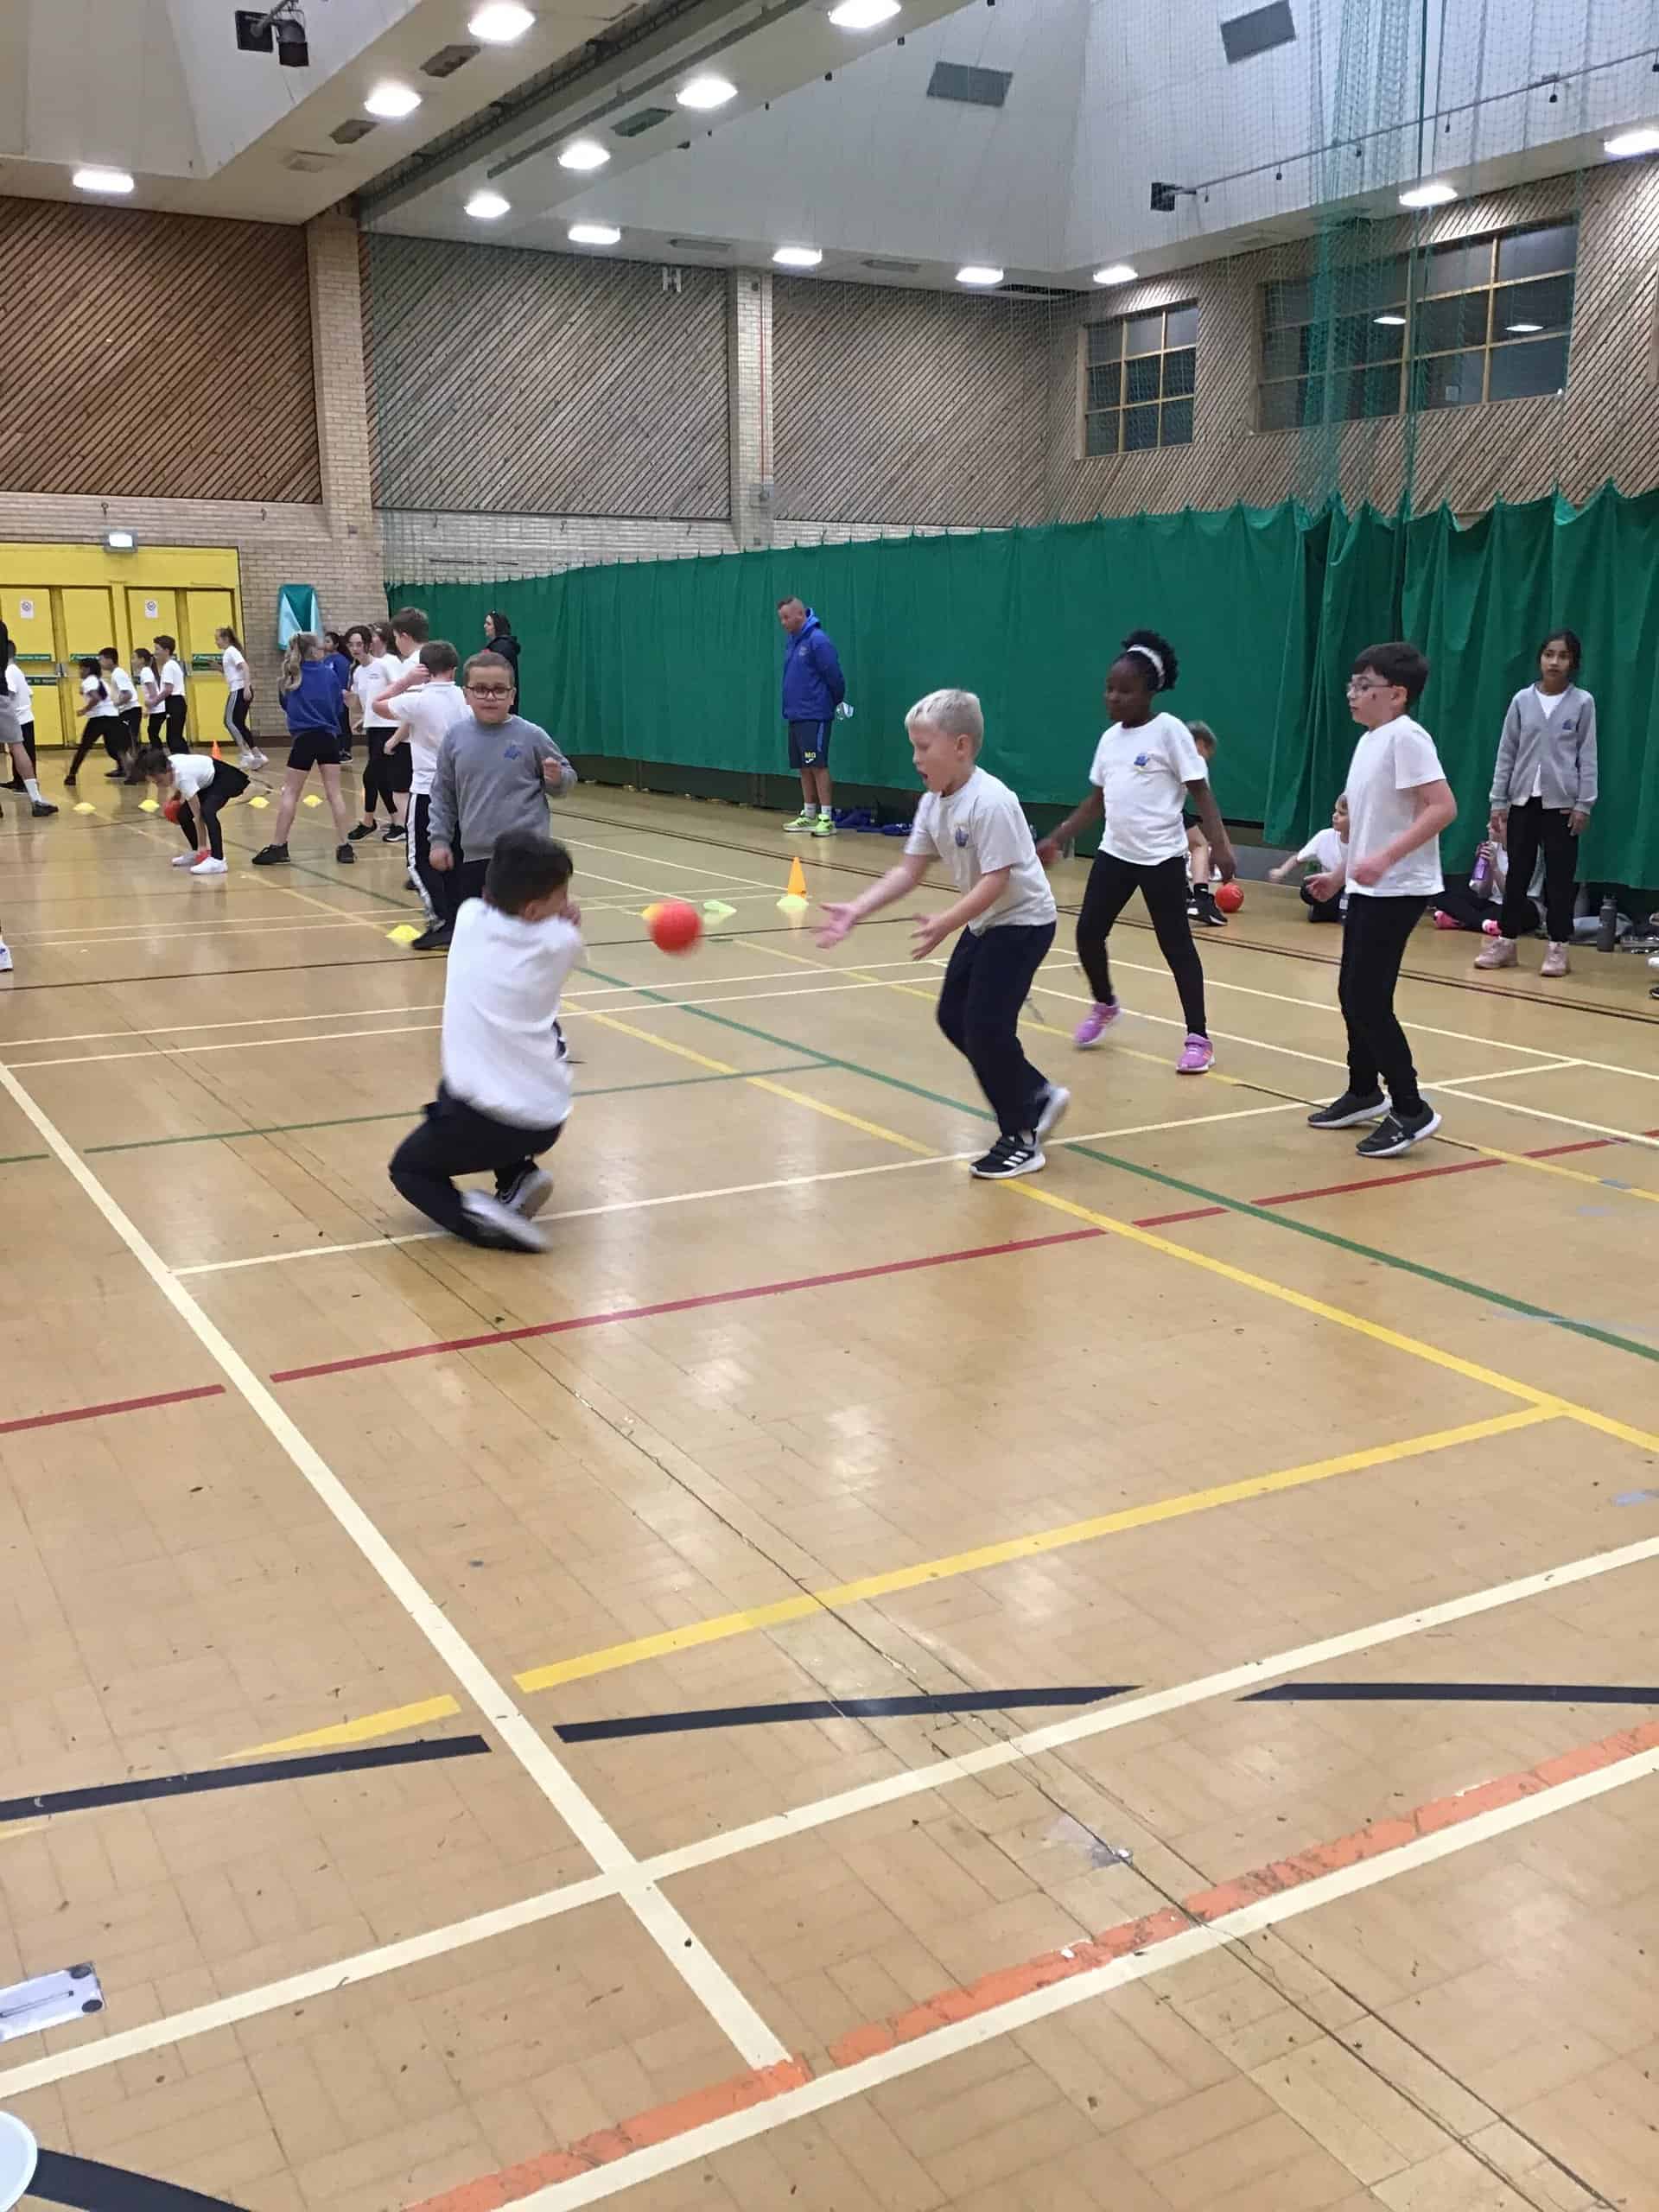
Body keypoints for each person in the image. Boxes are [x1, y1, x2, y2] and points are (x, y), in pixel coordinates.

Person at [817, 688, 1067, 1181]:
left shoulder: (992, 802)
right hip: (986, 921)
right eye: (913, 747)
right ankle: (1035, 1095)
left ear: (961, 746)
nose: (915, 759)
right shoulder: (934, 804)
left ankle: (1022, 1136)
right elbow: (908, 871)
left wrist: (946, 922)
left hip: (1023, 922)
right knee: (954, 1016)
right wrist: (856, 910)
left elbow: (997, 881)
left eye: (923, 747)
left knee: (987, 1028)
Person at [1035, 630, 1235, 1075]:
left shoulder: (1170, 732)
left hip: (1161, 858)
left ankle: (1199, 1038)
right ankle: (1105, 1003)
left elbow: (1200, 791)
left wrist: (1220, 845)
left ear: (1149, 692)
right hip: (1115, 854)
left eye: (1125, 690)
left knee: (1176, 946)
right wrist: (1058, 837)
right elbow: (1096, 801)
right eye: (1109, 688)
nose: (1113, 697)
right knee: (1088, 933)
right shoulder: (1110, 740)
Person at [388, 831, 579, 1252]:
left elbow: (497, 902)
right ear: (534, 910)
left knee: (408, 1169)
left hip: (487, 1119)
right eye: (562, 896)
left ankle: (482, 1224)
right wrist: (563, 921)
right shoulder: (562, 944)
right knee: (466, 1082)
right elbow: (557, 930)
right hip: (549, 1116)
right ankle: (518, 1177)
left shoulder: (469, 918)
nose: (568, 904)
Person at [1305, 641, 1457, 1159]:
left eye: (1364, 685)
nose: (1353, 693)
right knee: (1352, 992)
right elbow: (1370, 826)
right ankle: (1364, 1091)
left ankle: (1411, 1108)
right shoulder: (1370, 741)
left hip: (1400, 888)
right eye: (1352, 684)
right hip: (1369, 885)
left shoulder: (1408, 738)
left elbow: (1442, 808)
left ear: (1397, 694)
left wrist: (1386, 859)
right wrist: (1341, 873)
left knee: (1368, 998)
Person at [1476, 628, 1596, 981]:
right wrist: (1499, 800)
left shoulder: (1582, 703)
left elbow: (1588, 756)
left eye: (1563, 656)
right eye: (1549, 654)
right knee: (1517, 875)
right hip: (1522, 801)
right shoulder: (1522, 701)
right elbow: (1507, 753)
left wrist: (1584, 804)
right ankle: (1506, 942)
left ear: (1573, 662)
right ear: (1540, 658)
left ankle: (1558, 947)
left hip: (1562, 805)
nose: (1555, 662)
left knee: (1560, 878)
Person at [428, 650, 576, 911]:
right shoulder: (455, 738)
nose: (490, 697)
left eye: (499, 689)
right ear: (466, 694)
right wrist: (439, 840)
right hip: (476, 857)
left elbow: (566, 779)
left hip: (528, 858)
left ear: (512, 695)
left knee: (528, 926)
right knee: (484, 929)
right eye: (480, 689)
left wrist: (557, 778)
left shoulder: (531, 736)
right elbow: (443, 794)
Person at [372, 639, 472, 952]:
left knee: (418, 861)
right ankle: (458, 921)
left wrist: (405, 681)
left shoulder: (418, 699)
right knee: (456, 857)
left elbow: (377, 705)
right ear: (454, 668)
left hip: (428, 791)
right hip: (461, 791)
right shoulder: (465, 698)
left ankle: (440, 921)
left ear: (423, 669)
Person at [250, 632, 355, 868]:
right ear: (314, 650)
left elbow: (287, 705)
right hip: (328, 737)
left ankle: (279, 846)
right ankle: (345, 846)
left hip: (304, 739)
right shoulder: (329, 675)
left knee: (290, 793)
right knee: (335, 793)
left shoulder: (290, 677)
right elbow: (338, 707)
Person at [778, 595, 845, 837]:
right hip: (796, 715)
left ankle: (826, 817)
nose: (783, 623)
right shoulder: (792, 642)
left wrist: (831, 702)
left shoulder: (818, 640)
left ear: (800, 614)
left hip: (815, 715)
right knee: (803, 766)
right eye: (781, 618)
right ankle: (809, 814)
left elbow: (834, 676)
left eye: (786, 617)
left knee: (817, 764)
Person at [140, 743, 250, 876]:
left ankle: (218, 860)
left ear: (167, 771)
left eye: (160, 781)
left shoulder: (183, 777)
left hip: (226, 778)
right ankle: (195, 851)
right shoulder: (169, 765)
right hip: (208, 782)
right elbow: (187, 782)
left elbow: (198, 816)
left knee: (207, 812)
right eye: (155, 783)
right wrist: (177, 796)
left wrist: (202, 846)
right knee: (183, 815)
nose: (159, 786)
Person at [348, 621, 404, 840]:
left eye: (359, 644)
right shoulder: (357, 672)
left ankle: (368, 821)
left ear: (368, 645)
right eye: (351, 644)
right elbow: (362, 702)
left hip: (389, 727)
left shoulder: (383, 665)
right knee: (380, 778)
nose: (355, 649)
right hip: (372, 728)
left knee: (370, 775)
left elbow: (398, 691)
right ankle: (397, 821)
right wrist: (360, 715)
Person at [1268, 795, 1349, 921]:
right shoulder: (1324, 837)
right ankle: (1334, 910)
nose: (1335, 816)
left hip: (1355, 891)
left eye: (1342, 813)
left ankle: (1334, 911)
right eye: (1335, 811)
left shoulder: (1364, 842)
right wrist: (1282, 871)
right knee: (1308, 888)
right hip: (1331, 890)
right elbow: (1298, 858)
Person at [2, 632, 55, 816]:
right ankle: (36, 798)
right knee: (18, 748)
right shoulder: (15, 669)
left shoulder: (10, 671)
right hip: (14, 712)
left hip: (13, 712)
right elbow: (28, 693)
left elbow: (11, 692)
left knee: (18, 748)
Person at [1183, 722, 1228, 928]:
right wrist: (1220, 846)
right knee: (1200, 845)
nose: (1208, 757)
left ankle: (1183, 894)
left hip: (1131, 811)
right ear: (1201, 744)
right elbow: (1206, 803)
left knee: (1174, 848)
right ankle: (1201, 900)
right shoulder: (1195, 759)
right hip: (1162, 810)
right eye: (1209, 752)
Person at [66, 658, 124, 784]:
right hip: (113, 716)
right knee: (113, 749)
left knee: (84, 747)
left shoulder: (88, 681)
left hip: (99, 718)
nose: (79, 672)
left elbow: (96, 698)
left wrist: (85, 710)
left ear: (87, 670)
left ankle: (71, 775)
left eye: (81, 669)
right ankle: (128, 769)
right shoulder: (102, 682)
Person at [216, 626, 266, 770]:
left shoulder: (231, 651)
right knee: (239, 723)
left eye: (217, 639)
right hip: (238, 688)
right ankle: (258, 755)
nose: (216, 642)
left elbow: (245, 667)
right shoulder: (228, 653)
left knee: (229, 721)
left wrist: (246, 687)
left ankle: (245, 753)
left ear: (226, 639)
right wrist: (218, 668)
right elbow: (234, 672)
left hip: (238, 690)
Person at [101, 648, 141, 774]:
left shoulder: (118, 674)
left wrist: (115, 705)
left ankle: (135, 771)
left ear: (110, 660)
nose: (100, 663)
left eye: (102, 659)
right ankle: (123, 768)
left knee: (127, 743)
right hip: (124, 712)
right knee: (117, 742)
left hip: (130, 712)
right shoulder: (115, 674)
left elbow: (128, 695)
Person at [154, 635, 189, 753]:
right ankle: (186, 758)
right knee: (175, 736)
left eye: (157, 649)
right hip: (175, 702)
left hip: (175, 702)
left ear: (166, 650)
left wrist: (154, 702)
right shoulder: (171, 665)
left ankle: (184, 760)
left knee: (174, 738)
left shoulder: (169, 666)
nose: (155, 652)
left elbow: (168, 689)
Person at [482, 611, 521, 680]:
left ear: (497, 627)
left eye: (489, 624)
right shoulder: (500, 646)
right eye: (485, 623)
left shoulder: (502, 648)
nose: (485, 626)